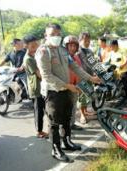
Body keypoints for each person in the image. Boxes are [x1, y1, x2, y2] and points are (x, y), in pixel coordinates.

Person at [35, 23, 100, 162]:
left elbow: (74, 66)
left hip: (67, 90)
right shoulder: (43, 52)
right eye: (52, 34)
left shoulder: (62, 50)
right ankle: (56, 149)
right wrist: (67, 85)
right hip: (53, 92)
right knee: (54, 122)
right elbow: (46, 75)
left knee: (66, 118)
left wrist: (91, 78)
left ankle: (67, 142)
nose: (56, 37)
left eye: (58, 34)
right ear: (46, 35)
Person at [22, 35, 48, 138]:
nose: (35, 47)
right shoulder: (29, 59)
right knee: (39, 110)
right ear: (26, 46)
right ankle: (39, 131)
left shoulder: (33, 56)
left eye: (36, 44)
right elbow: (39, 75)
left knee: (42, 109)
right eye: (33, 46)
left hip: (40, 87)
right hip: (36, 88)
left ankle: (41, 129)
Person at [63, 35, 83, 130]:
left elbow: (79, 72)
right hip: (65, 87)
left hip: (74, 86)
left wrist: (79, 86)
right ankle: (64, 127)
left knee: (73, 107)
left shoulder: (76, 58)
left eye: (74, 46)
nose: (73, 48)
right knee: (64, 108)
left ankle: (72, 124)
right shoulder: (62, 58)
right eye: (70, 46)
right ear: (65, 46)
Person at [77, 32, 97, 124]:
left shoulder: (90, 51)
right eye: (85, 40)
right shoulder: (77, 52)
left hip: (90, 77)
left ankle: (85, 111)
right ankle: (82, 115)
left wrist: (97, 74)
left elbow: (94, 64)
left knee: (88, 95)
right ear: (80, 40)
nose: (87, 42)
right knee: (82, 98)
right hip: (80, 78)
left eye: (89, 40)